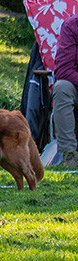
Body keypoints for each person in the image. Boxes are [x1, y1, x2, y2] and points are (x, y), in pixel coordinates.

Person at [51, 14, 78, 168]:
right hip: (76, 86)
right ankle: (69, 155)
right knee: (61, 88)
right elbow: (64, 70)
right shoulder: (72, 25)